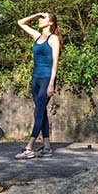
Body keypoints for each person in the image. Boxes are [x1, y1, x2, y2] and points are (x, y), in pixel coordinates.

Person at [13, 11, 61, 159]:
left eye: (44, 17)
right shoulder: (37, 36)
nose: (41, 19)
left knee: (38, 111)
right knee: (42, 111)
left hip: (47, 79)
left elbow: (55, 63)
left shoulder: (54, 39)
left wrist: (52, 83)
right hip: (35, 79)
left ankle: (29, 148)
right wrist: (36, 15)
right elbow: (20, 22)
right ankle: (46, 148)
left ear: (51, 23)